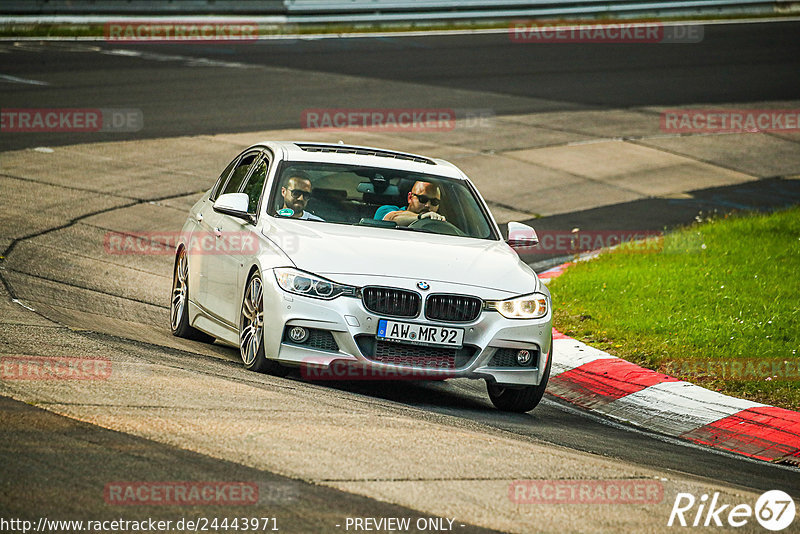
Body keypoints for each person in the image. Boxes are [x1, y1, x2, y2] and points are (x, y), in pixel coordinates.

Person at [374, 181, 445, 227]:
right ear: (410, 197)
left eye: (434, 202)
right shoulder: (384, 210)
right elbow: (391, 219)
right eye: (423, 199)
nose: (428, 205)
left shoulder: (440, 222)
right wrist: (421, 217)